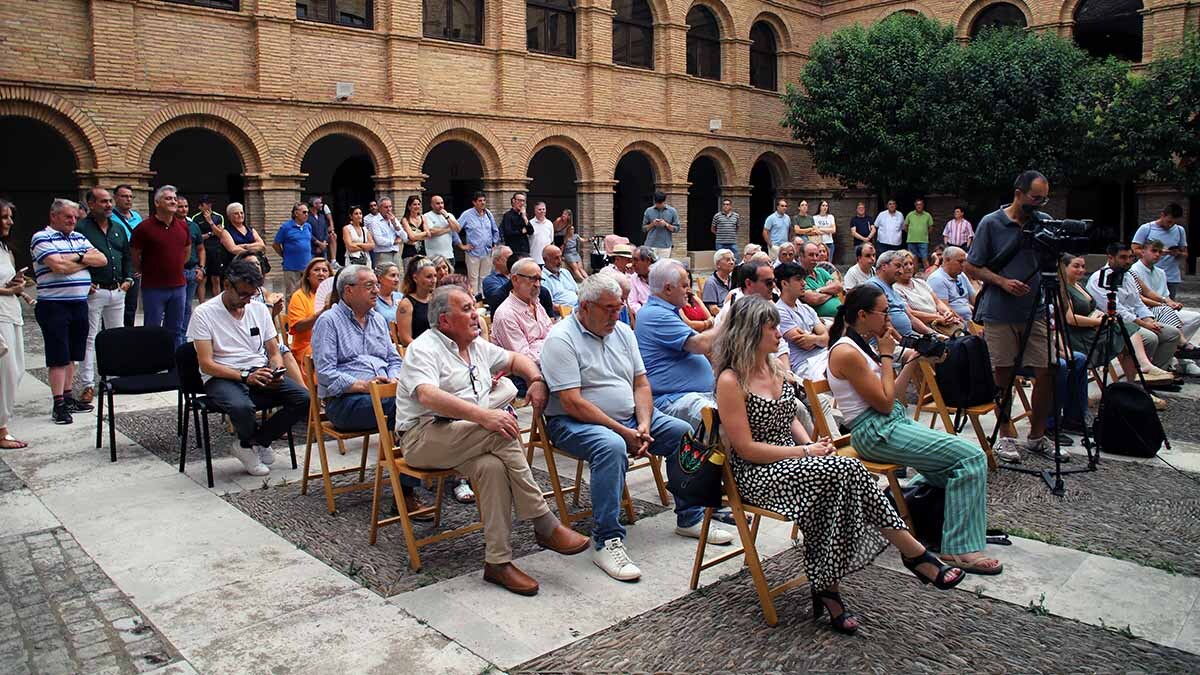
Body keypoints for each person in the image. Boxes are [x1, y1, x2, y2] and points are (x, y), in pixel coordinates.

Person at [715, 293, 965, 634]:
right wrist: (806, 454)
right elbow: (745, 450)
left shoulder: (772, 367)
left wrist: (810, 443)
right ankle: (910, 551)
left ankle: (830, 586)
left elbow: (790, 418)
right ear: (750, 333)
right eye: (772, 328)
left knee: (838, 484)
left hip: (792, 463)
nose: (779, 334)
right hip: (758, 474)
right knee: (846, 471)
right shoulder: (731, 381)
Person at [396, 286, 590, 595]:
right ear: (445, 320)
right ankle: (543, 521)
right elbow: (426, 395)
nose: (477, 314)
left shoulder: (476, 346)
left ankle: (498, 563)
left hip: (461, 437)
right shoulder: (425, 348)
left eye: (474, 307)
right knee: (498, 426)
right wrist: (483, 416)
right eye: (467, 309)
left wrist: (536, 380)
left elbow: (515, 359)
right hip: (423, 438)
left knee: (492, 467)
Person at [542, 274, 723, 582]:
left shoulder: (623, 331)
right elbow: (572, 403)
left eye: (619, 307)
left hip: (628, 418)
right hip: (573, 422)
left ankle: (689, 516)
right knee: (610, 447)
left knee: (682, 432)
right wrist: (623, 432)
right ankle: (606, 539)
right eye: (609, 308)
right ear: (585, 307)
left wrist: (642, 423)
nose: (617, 314)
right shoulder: (561, 339)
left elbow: (641, 383)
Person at [824, 287, 998, 577]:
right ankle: (958, 548)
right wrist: (888, 356)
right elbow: (881, 403)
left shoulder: (863, 345)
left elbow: (894, 397)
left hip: (890, 423)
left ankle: (949, 526)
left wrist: (915, 360)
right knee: (971, 457)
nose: (889, 319)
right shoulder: (846, 351)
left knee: (958, 463)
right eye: (884, 312)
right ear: (863, 315)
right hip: (875, 431)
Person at [964, 170, 1056, 463]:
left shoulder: (1044, 223)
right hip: (1000, 311)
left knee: (1048, 369)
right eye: (1034, 198)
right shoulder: (992, 223)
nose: (1039, 204)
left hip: (1035, 310)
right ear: (1019, 193)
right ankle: (1005, 435)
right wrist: (1003, 282)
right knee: (1003, 373)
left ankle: (1038, 436)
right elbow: (972, 266)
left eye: (1044, 199)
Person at [188, 260, 309, 476]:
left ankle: (254, 443)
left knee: (304, 398)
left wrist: (276, 370)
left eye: (251, 295)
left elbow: (273, 351)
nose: (247, 301)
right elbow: (206, 363)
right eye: (243, 294)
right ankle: (250, 444)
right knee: (242, 407)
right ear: (227, 285)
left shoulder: (258, 309)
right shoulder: (204, 313)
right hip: (221, 375)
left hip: (258, 369)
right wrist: (245, 376)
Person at [32, 199, 105, 424]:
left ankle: (68, 396)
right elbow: (58, 266)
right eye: (68, 217)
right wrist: (85, 260)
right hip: (54, 305)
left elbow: (101, 259)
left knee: (74, 354)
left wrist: (77, 258)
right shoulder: (41, 237)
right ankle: (58, 404)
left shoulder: (78, 237)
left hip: (79, 303)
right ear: (53, 216)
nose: (73, 221)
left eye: (75, 217)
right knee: (58, 356)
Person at [1060, 253, 1163, 385]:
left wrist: (1099, 316)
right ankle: (1142, 365)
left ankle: (1133, 385)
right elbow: (1070, 319)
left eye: (1083, 266)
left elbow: (1092, 307)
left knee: (1127, 337)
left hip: (1093, 326)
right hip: (1078, 334)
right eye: (1076, 266)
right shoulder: (1063, 288)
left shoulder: (1079, 285)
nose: (1081, 270)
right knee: (1126, 328)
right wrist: (1099, 321)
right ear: (1064, 267)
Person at [72, 188, 133, 404]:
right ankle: (88, 384)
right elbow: (73, 258)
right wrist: (84, 282)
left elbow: (126, 255)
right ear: (91, 204)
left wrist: (128, 280)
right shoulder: (81, 229)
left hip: (117, 290)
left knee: (116, 336)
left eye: (109, 201)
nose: (108, 205)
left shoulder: (118, 227)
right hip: (94, 291)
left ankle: (116, 381)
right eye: (103, 202)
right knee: (89, 338)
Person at [1087, 242, 1181, 373]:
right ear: (1110, 258)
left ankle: (1159, 374)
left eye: (1130, 257)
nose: (1127, 261)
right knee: (1150, 337)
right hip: (1115, 324)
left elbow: (1137, 303)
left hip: (1136, 320)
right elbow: (1117, 311)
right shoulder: (1099, 278)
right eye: (1123, 257)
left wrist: (1148, 319)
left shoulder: (1128, 275)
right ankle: (1138, 375)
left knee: (1172, 333)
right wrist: (1143, 324)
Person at [131, 185, 191, 348]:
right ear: (157, 203)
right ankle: (152, 364)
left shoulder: (183, 226)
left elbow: (187, 251)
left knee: (176, 330)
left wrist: (175, 266)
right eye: (168, 198)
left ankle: (175, 366)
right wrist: (144, 270)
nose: (173, 201)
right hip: (154, 288)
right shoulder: (144, 228)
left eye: (174, 198)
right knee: (152, 330)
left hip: (178, 287)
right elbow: (135, 255)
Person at [1131, 240, 1200, 375]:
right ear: (1143, 251)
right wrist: (1164, 304)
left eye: (1160, 252)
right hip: (1146, 310)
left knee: (1195, 317)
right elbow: (1140, 298)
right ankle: (1184, 347)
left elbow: (1164, 295)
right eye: (1154, 251)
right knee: (1165, 311)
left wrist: (1171, 303)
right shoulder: (1134, 270)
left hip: (1161, 308)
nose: (1157, 255)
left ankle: (1178, 353)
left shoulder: (1160, 272)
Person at [0, 201, 29, 447]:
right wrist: (7, 290)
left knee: (17, 369)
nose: (10, 221)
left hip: (11, 312)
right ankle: (1, 428)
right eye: (4, 217)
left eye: (10, 216)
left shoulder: (4, 248)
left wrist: (15, 284)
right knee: (5, 371)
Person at [491, 257, 554, 369]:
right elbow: (524, 358)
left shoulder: (536, 304)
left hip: (547, 364)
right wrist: (555, 352)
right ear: (515, 279)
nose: (538, 284)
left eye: (540, 279)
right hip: (524, 376)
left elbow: (552, 335)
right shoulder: (506, 315)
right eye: (533, 279)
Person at [894, 251, 962, 335]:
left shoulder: (921, 282)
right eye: (905, 264)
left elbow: (937, 302)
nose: (909, 267)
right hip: (923, 327)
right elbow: (910, 313)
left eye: (911, 264)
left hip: (941, 321)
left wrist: (947, 313)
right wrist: (937, 317)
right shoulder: (896, 289)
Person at [867, 250, 929, 338]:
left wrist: (933, 334)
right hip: (888, 342)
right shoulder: (873, 287)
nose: (901, 271)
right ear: (884, 266)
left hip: (909, 337)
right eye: (898, 266)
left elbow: (911, 318)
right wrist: (903, 342)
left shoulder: (893, 289)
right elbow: (883, 323)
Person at [1132, 203, 1188, 299]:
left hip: (1171, 276)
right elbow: (1135, 249)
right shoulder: (1146, 228)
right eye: (1168, 221)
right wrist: (1154, 252)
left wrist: (1176, 253)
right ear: (1162, 215)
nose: (1170, 225)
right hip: (1149, 274)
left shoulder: (1179, 230)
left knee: (1169, 305)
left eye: (1173, 223)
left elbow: (1185, 253)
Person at [286, 257, 332, 369]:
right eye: (316, 270)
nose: (321, 274)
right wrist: (322, 313)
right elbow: (297, 327)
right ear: (308, 276)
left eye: (325, 270)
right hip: (307, 346)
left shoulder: (338, 296)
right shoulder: (299, 296)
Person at [457, 192, 501, 296]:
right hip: (473, 251)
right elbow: (455, 229)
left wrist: (494, 242)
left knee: (485, 278)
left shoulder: (488, 214)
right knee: (473, 278)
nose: (482, 203)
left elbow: (495, 230)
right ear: (474, 202)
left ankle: (484, 300)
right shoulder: (467, 215)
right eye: (480, 201)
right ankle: (474, 300)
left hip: (487, 251)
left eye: (484, 200)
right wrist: (461, 245)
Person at [112, 185, 144, 328]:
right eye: (124, 196)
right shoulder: (110, 217)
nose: (128, 199)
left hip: (134, 265)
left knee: (131, 305)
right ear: (115, 198)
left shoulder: (137, 216)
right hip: (118, 264)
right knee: (115, 306)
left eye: (131, 196)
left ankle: (129, 334)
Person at [177, 196, 205, 344]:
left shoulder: (193, 226)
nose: (183, 209)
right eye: (180, 206)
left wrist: (201, 268)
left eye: (186, 206)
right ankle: (176, 338)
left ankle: (184, 336)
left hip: (192, 271)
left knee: (187, 306)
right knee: (178, 306)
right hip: (176, 272)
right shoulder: (170, 226)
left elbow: (201, 248)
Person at [273, 202, 314, 300]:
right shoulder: (286, 227)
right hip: (291, 267)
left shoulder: (308, 226)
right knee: (292, 294)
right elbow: (276, 244)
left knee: (307, 293)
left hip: (306, 266)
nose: (306, 214)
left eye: (307, 212)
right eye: (304, 212)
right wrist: (284, 255)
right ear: (296, 213)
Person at [394, 256, 437, 347]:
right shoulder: (406, 304)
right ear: (415, 278)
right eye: (429, 277)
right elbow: (405, 338)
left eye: (435, 276)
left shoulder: (436, 298)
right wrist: (425, 351)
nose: (433, 280)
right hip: (419, 351)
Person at [927, 246, 975, 323]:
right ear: (947, 260)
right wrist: (967, 326)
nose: (963, 265)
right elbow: (945, 309)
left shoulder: (961, 275)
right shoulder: (937, 279)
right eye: (960, 261)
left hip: (971, 318)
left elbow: (974, 299)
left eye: (964, 261)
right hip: (955, 323)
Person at [192, 195, 225, 302]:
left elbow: (221, 234)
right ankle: (202, 304)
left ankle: (217, 304)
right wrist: (211, 233)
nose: (209, 205)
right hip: (202, 251)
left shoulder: (218, 217)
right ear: (200, 206)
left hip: (216, 251)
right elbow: (197, 236)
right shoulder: (196, 218)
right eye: (206, 203)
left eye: (210, 203)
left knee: (216, 279)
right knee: (202, 279)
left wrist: (210, 222)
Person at [799, 242, 842, 319]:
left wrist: (819, 290)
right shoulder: (799, 278)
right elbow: (813, 299)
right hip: (821, 319)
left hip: (839, 315)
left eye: (816, 255)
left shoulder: (821, 271)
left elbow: (839, 286)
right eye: (811, 255)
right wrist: (832, 292)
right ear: (801, 257)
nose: (815, 258)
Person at [422, 195, 461, 263]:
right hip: (434, 256)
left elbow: (457, 229)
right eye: (438, 203)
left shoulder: (449, 215)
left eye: (442, 203)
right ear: (432, 205)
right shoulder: (427, 216)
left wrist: (447, 217)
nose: (440, 205)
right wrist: (449, 228)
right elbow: (432, 232)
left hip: (449, 255)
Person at [642, 190, 679, 260]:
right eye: (657, 203)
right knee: (651, 267)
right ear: (654, 201)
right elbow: (644, 228)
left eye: (661, 203)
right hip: (651, 244)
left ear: (664, 201)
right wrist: (652, 224)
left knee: (663, 267)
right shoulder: (648, 211)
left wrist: (666, 224)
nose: (659, 205)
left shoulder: (672, 211)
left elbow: (677, 228)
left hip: (665, 245)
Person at [366, 197, 403, 268]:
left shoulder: (393, 219)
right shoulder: (374, 221)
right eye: (386, 207)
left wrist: (395, 224)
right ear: (380, 208)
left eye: (390, 207)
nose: (389, 209)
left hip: (395, 252)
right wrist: (394, 242)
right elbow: (379, 240)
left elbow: (403, 235)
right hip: (382, 254)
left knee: (397, 276)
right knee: (384, 276)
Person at [541, 244, 578, 310]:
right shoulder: (542, 278)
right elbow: (548, 304)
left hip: (579, 308)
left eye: (560, 257)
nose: (560, 261)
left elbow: (577, 292)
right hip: (564, 313)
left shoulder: (565, 272)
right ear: (545, 259)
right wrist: (567, 310)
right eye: (556, 258)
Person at [555, 209, 587, 282]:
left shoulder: (575, 234)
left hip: (574, 252)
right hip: (566, 251)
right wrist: (561, 255)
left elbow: (583, 240)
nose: (563, 215)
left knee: (580, 268)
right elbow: (562, 246)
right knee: (575, 268)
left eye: (566, 214)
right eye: (563, 214)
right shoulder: (565, 237)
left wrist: (590, 239)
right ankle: (584, 281)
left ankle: (588, 280)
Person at [679, 268, 714, 332]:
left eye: (688, 277)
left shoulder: (694, 298)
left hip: (706, 332)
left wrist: (708, 323)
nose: (687, 280)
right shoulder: (676, 301)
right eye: (683, 278)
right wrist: (706, 324)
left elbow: (710, 317)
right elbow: (689, 324)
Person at [701, 249, 735, 315]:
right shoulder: (711, 283)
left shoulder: (733, 280)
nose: (732, 262)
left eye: (733, 260)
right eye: (728, 260)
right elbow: (713, 309)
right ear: (718, 264)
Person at [902, 199, 932, 269]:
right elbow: (905, 226)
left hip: (923, 240)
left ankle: (928, 276)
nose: (919, 206)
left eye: (920, 204)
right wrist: (911, 233)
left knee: (924, 258)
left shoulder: (927, 215)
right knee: (913, 259)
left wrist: (924, 234)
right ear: (915, 206)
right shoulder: (910, 214)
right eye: (917, 204)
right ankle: (915, 275)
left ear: (923, 205)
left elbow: (930, 227)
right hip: (911, 240)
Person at [500, 192, 532, 257]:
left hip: (524, 250)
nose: (522, 203)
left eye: (523, 201)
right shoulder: (508, 215)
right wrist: (521, 231)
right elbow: (508, 232)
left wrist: (525, 217)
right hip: (513, 250)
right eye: (519, 200)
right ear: (513, 201)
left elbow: (531, 231)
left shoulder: (523, 215)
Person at [399, 195, 428, 261]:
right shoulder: (405, 220)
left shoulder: (423, 218)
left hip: (422, 253)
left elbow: (428, 234)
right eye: (414, 204)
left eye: (418, 204)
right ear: (409, 206)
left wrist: (415, 236)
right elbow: (412, 236)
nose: (417, 206)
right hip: (409, 254)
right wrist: (423, 234)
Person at [307, 196, 335, 262]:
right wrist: (319, 244)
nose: (321, 205)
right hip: (312, 249)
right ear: (314, 204)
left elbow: (325, 231)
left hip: (323, 249)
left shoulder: (322, 217)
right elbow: (308, 233)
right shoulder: (307, 217)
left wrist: (324, 243)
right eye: (320, 203)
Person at [627, 246, 654, 313]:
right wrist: (646, 312)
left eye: (636, 260)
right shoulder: (633, 278)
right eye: (632, 260)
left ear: (647, 260)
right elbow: (632, 303)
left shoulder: (661, 275)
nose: (633, 264)